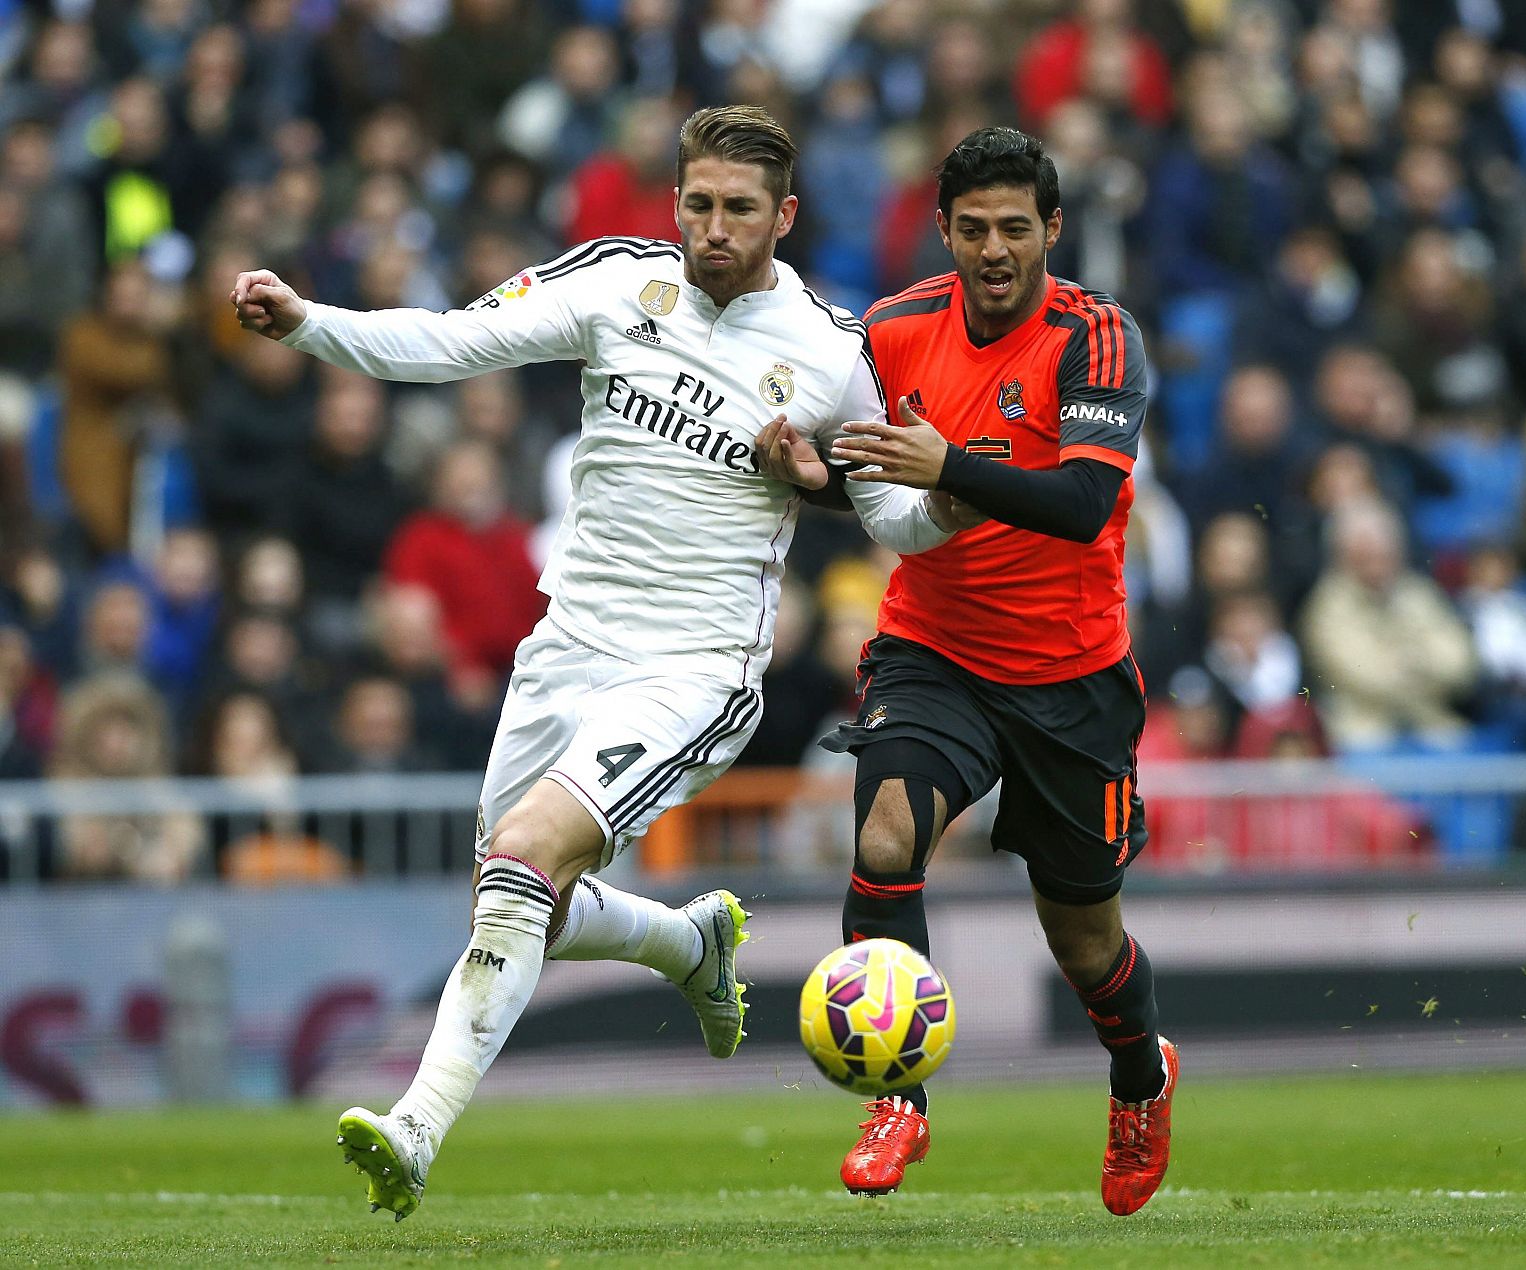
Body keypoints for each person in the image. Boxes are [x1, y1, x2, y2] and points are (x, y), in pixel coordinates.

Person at [230, 104, 966, 1221]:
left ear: (787, 216)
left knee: (523, 862)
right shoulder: (620, 280)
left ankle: (415, 1128)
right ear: (673, 202)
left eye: (740, 210)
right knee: (512, 893)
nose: (714, 229)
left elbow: (894, 521)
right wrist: (307, 323)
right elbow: (450, 340)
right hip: (567, 641)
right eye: (699, 205)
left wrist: (941, 485)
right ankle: (689, 940)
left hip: (695, 664)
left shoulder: (831, 350)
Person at [755, 126, 1176, 1214]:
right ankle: (899, 1098)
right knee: (888, 832)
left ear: (1052, 231)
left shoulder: (1098, 339)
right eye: (974, 229)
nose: (995, 250)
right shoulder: (892, 330)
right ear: (943, 231)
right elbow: (865, 482)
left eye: (1015, 229)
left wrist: (955, 464)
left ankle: (1141, 1076)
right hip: (931, 647)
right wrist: (805, 469)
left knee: (1083, 940)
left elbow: (1082, 503)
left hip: (1069, 674)